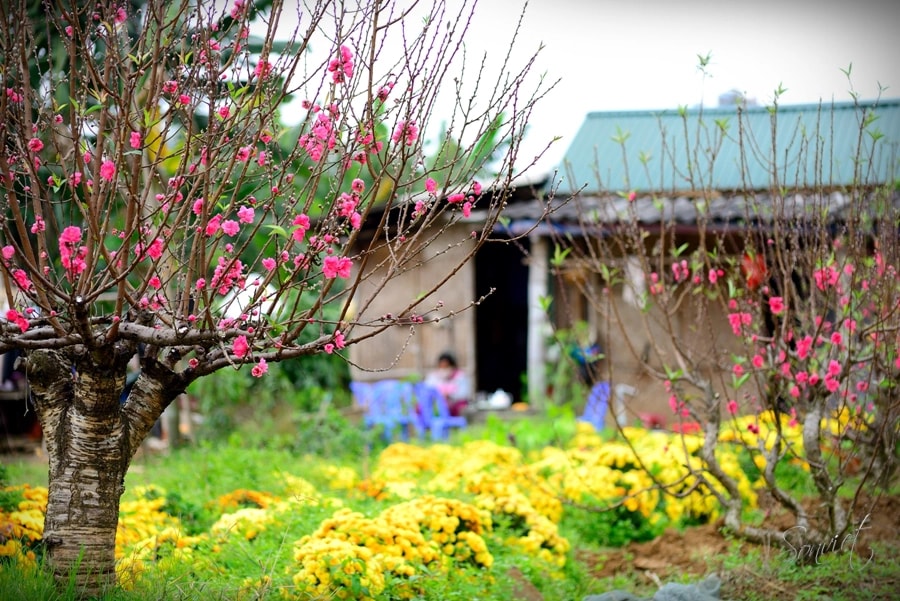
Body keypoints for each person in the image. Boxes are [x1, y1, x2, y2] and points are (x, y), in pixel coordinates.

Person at [425, 352, 470, 417]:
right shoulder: (433, 376)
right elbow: (427, 389)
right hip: (436, 404)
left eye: (446, 366)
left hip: (454, 404)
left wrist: (449, 395)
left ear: (452, 366)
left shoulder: (460, 376)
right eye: (441, 366)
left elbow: (464, 393)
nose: (443, 369)